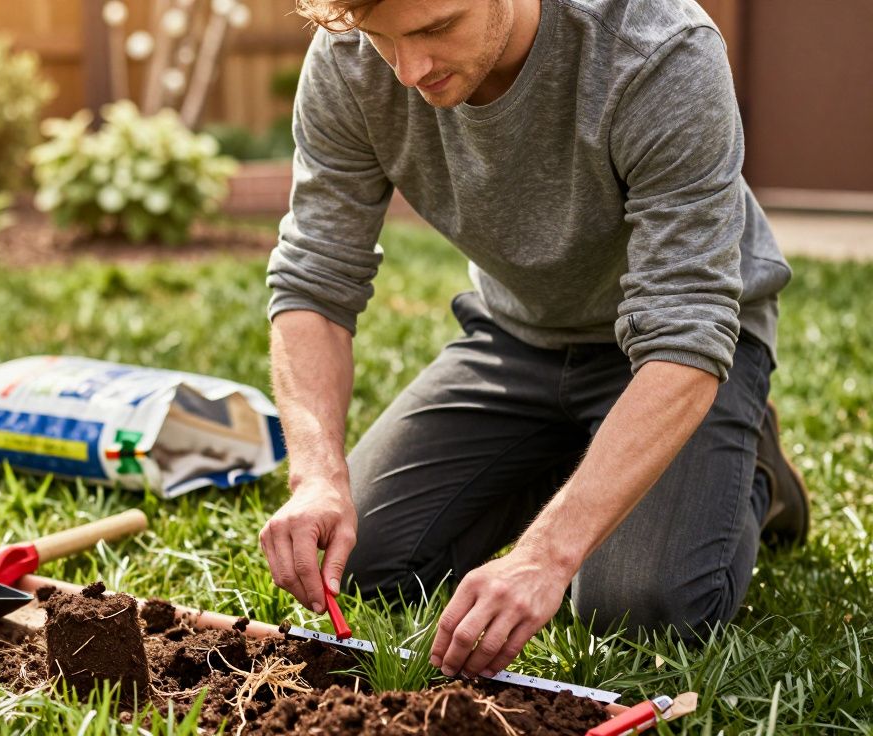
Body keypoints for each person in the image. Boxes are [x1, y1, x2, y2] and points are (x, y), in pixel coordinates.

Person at [258, 0, 810, 682]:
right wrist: (316, 474)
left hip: (674, 354)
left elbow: (686, 329)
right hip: (517, 336)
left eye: (436, 29)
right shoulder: (348, 60)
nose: (408, 70)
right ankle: (585, 457)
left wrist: (546, 554)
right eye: (382, 40)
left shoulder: (659, 50)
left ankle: (749, 465)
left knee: (637, 610)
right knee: (365, 563)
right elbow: (314, 280)